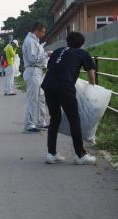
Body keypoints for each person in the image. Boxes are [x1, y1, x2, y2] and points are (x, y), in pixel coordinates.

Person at [41, 31, 96, 165]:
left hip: (48, 84)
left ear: (67, 41)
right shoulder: (83, 53)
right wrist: (92, 88)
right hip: (64, 86)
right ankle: (80, 155)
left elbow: (53, 67)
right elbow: (91, 77)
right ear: (82, 43)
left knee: (55, 118)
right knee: (74, 119)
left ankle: (51, 154)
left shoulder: (58, 51)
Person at [22, 22, 52, 133]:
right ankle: (29, 124)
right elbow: (33, 58)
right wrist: (46, 54)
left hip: (38, 71)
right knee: (33, 99)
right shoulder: (30, 41)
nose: (43, 34)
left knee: (40, 98)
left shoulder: (35, 41)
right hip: (32, 70)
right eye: (42, 32)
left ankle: (41, 122)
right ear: (37, 30)